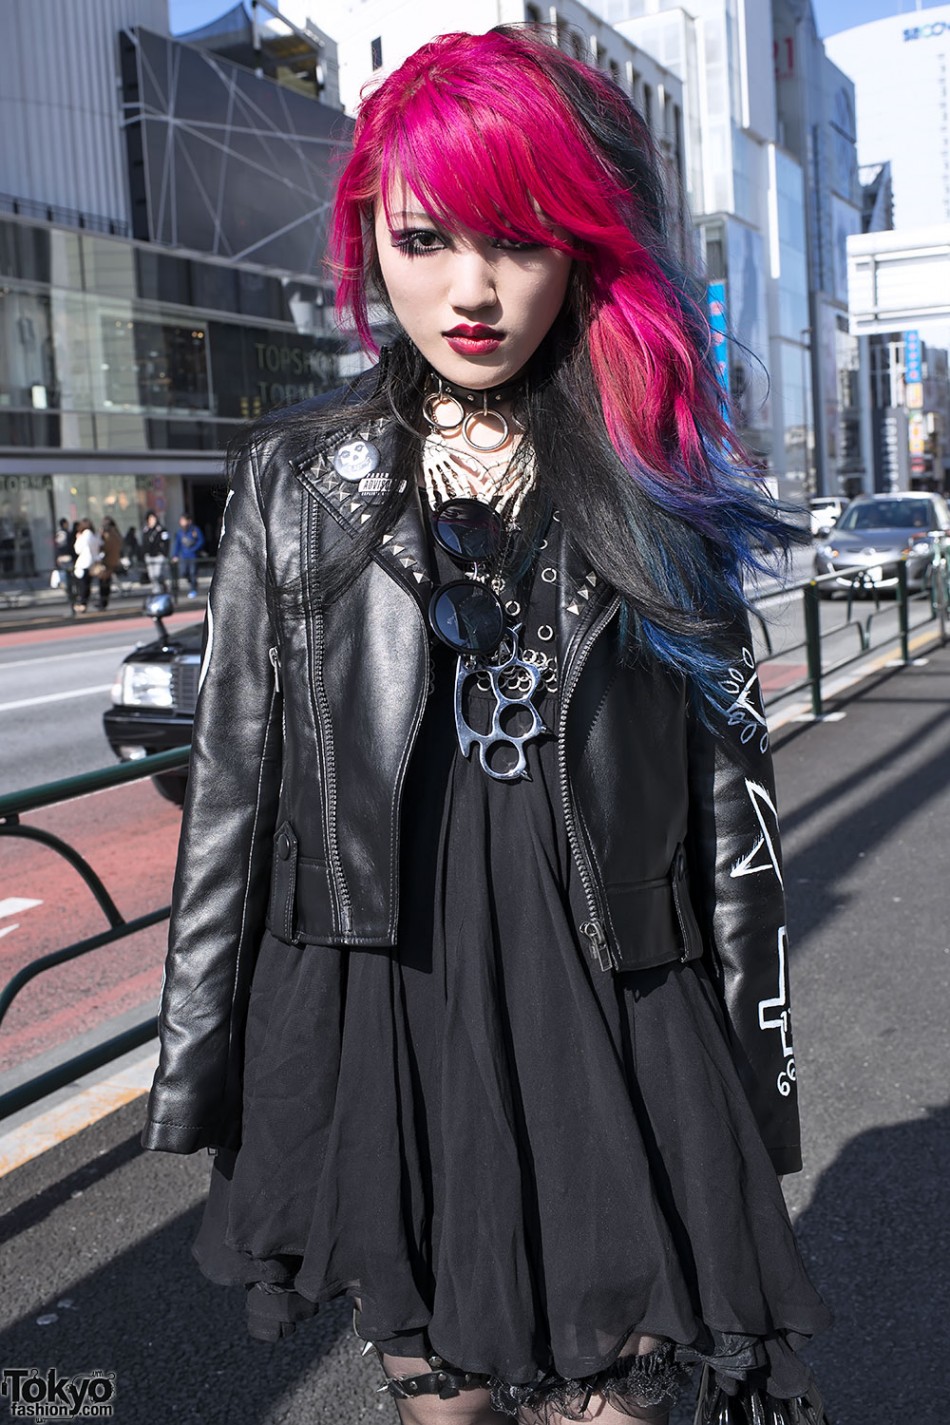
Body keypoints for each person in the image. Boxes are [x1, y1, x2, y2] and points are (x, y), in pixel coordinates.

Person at [141, 29, 832, 1425]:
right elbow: (233, 789)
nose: (468, 290)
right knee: (439, 1396)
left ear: (580, 249)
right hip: (382, 990)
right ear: (367, 238)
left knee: (631, 1390)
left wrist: (757, 1081)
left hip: (616, 985)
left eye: (518, 241)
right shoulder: (298, 476)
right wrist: (201, 1066)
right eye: (423, 236)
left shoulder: (649, 470)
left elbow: (730, 815)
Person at [170, 512, 205, 598]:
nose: (182, 522)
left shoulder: (195, 530)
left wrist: (194, 549)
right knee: (184, 573)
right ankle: (192, 582)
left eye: (183, 520)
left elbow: (201, 541)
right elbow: (177, 545)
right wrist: (175, 555)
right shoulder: (180, 533)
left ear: (189, 521)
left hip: (193, 556)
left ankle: (193, 589)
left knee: (193, 572)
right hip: (184, 556)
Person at [71, 518, 100, 613]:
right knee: (87, 586)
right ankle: (84, 604)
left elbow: (77, 549)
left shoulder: (84, 536)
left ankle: (81, 604)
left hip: (83, 564)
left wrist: (78, 538)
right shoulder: (93, 535)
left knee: (81, 586)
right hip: (91, 563)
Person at [96, 516, 123, 610]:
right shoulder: (116, 533)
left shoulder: (109, 535)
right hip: (112, 560)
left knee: (104, 582)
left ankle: (103, 602)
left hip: (108, 561)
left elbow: (106, 547)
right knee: (105, 582)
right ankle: (103, 601)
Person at [141, 511, 169, 593]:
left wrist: (164, 553)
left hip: (158, 555)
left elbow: (166, 542)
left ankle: (158, 591)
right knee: (152, 575)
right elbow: (144, 543)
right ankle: (158, 588)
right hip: (149, 555)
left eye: (153, 518)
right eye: (150, 519)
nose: (152, 520)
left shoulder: (161, 530)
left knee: (157, 574)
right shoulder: (146, 530)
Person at [53, 517, 75, 602]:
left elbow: (57, 547)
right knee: (69, 576)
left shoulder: (58, 534)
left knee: (64, 577)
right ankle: (71, 593)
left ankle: (68, 592)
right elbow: (69, 546)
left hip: (61, 558)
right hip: (68, 557)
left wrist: (57, 557)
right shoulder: (67, 533)